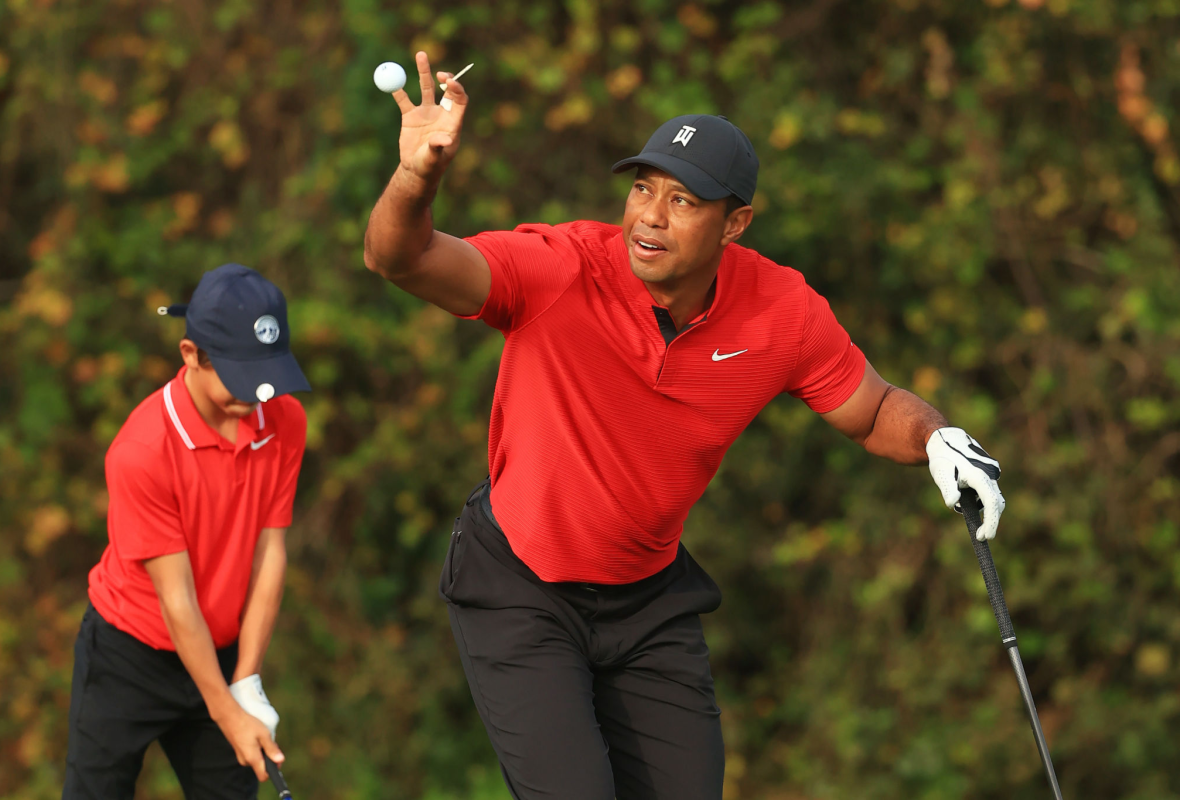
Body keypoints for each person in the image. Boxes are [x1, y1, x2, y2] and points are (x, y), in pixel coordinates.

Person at [363, 54, 1006, 800]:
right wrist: (417, 178)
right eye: (642, 188)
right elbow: (396, 258)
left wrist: (935, 438)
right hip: (521, 587)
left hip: (647, 603)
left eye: (684, 200)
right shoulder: (558, 269)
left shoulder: (781, 310)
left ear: (736, 222)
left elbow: (869, 409)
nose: (650, 217)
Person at [62, 264, 311, 800]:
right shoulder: (141, 452)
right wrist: (228, 713)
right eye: (241, 376)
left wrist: (246, 681)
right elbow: (176, 599)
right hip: (128, 652)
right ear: (192, 355)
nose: (257, 394)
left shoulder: (284, 420)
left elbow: (270, 554)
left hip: (219, 650)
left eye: (266, 372)